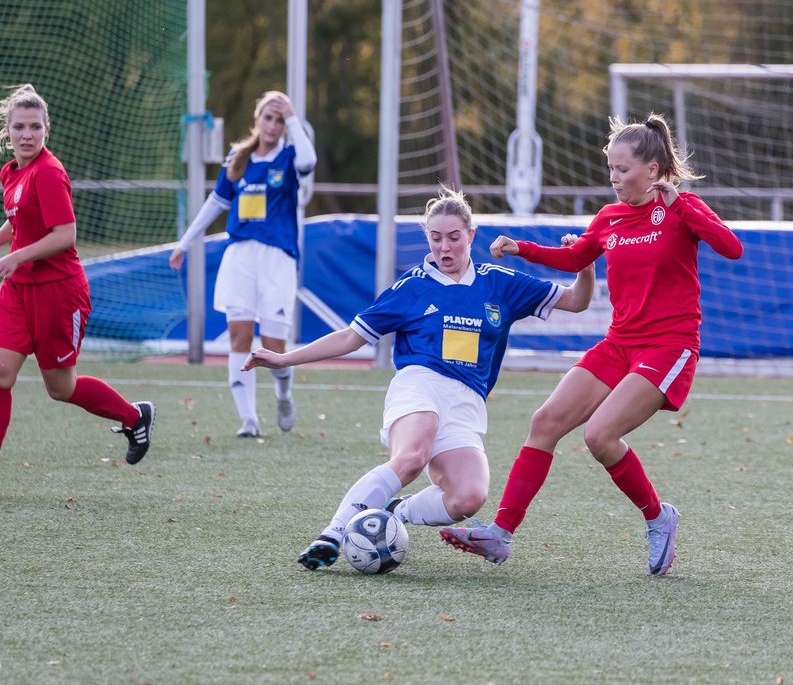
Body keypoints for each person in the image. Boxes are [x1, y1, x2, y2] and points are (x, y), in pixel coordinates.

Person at [440, 113, 744, 577]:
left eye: (623, 169)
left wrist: (683, 204)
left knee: (600, 435)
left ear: (654, 170)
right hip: (619, 342)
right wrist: (522, 247)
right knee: (544, 422)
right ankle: (499, 535)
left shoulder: (681, 209)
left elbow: (731, 247)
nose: (615, 178)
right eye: (611, 169)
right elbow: (577, 256)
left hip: (669, 345)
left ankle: (659, 517)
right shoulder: (609, 217)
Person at [243, 188, 595, 570]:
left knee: (468, 497)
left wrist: (585, 263)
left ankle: (396, 512)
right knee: (411, 458)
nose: (445, 247)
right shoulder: (411, 288)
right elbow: (349, 337)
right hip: (419, 384)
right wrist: (283, 358)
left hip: (467, 401)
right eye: (435, 237)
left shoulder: (500, 283)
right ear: (427, 237)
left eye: (454, 237)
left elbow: (577, 300)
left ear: (471, 235)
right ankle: (334, 532)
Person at [0, 84, 155, 460]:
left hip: (58, 293)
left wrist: (17, 257)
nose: (27, 134)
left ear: (46, 130)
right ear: (7, 130)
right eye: (19, 126)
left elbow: (65, 235)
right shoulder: (10, 173)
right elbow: (18, 225)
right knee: (1, 375)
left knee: (60, 388)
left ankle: (135, 417)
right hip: (19, 291)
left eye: (35, 127)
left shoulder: (49, 173)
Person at [170, 90, 316, 438]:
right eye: (268, 117)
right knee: (240, 335)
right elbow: (216, 202)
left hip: (277, 259)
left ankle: (283, 393)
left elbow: (309, 163)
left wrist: (294, 117)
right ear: (257, 119)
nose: (273, 125)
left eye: (280, 120)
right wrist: (185, 242)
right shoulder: (238, 157)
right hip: (240, 256)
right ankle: (248, 419)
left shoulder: (291, 155)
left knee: (274, 346)